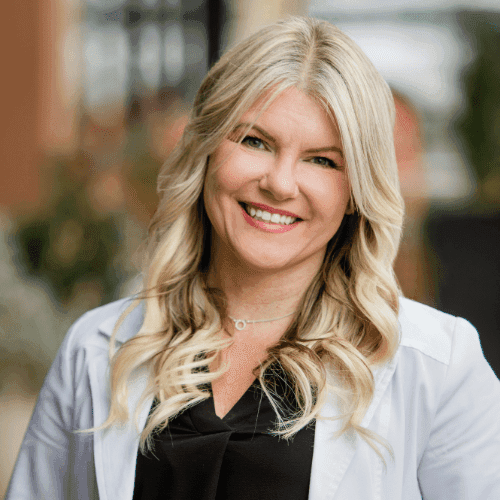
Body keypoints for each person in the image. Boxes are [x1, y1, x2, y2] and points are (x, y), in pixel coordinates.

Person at [6, 17, 500, 500]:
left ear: (355, 191)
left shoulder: (438, 368)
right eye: (255, 141)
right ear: (206, 152)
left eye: (322, 160)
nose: (280, 183)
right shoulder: (96, 350)